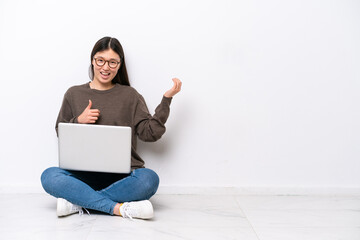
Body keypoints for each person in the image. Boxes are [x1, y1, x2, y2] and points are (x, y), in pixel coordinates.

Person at [41, 37, 182, 219]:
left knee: (149, 180)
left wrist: (166, 100)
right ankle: (118, 208)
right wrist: (79, 121)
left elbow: (151, 133)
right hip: (82, 176)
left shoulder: (130, 95)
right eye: (100, 60)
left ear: (119, 64)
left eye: (112, 62)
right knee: (49, 176)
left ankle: (78, 203)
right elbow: (61, 132)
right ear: (93, 60)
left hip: (123, 177)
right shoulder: (73, 93)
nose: (105, 67)